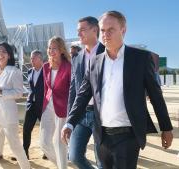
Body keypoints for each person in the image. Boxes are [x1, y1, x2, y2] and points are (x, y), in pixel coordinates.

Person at [62, 11, 173, 169]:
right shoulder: (95, 62)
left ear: (123, 30)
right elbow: (82, 94)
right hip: (102, 134)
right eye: (103, 31)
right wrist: (70, 122)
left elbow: (156, 95)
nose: (105, 34)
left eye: (111, 29)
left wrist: (166, 127)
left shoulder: (140, 58)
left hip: (128, 134)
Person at [0, 42, 30, 169]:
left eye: (3, 51)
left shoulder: (15, 71)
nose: (0, 54)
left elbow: (19, 93)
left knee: (16, 147)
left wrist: (0, 92)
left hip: (8, 115)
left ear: (9, 55)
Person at [67, 16, 105, 169]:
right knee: (74, 156)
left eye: (82, 30)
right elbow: (73, 88)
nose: (79, 34)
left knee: (102, 160)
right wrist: (70, 117)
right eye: (78, 31)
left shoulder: (107, 52)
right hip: (81, 115)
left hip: (101, 115)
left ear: (95, 30)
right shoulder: (77, 58)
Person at [40, 36, 71, 169]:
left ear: (61, 50)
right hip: (48, 106)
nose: (51, 51)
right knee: (44, 142)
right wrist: (43, 106)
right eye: (49, 48)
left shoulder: (68, 67)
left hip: (63, 108)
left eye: (54, 48)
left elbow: (72, 89)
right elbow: (47, 89)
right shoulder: (46, 66)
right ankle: (60, 165)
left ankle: (62, 166)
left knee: (60, 143)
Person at [22, 50, 45, 159]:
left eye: (34, 58)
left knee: (45, 129)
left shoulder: (47, 70)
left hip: (43, 105)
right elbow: (32, 88)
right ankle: (25, 151)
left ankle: (47, 150)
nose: (31, 60)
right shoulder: (30, 71)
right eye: (31, 58)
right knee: (26, 128)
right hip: (31, 104)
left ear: (40, 59)